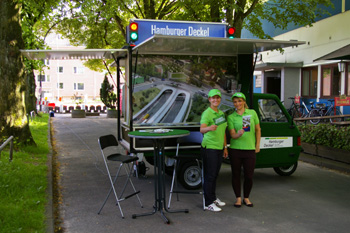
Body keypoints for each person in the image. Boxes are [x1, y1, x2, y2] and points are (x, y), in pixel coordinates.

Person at [227, 92, 261, 208]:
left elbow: (258, 130)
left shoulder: (251, 113)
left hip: (250, 149)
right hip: (235, 149)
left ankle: (246, 197)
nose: (238, 103)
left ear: (244, 101)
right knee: (236, 174)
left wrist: (257, 145)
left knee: (249, 175)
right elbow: (232, 135)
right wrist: (238, 134)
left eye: (240, 101)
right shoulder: (231, 117)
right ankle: (238, 198)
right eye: (235, 102)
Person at [200, 89, 228, 212]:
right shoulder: (207, 113)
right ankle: (208, 203)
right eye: (213, 98)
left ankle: (213, 198)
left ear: (220, 99)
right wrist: (209, 128)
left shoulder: (221, 114)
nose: (215, 100)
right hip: (209, 147)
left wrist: (225, 147)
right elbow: (201, 130)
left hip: (219, 147)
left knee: (215, 174)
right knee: (210, 175)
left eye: (217, 98)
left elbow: (223, 132)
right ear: (209, 99)